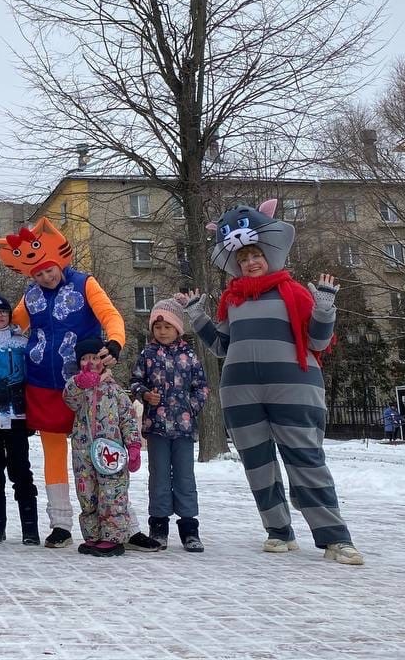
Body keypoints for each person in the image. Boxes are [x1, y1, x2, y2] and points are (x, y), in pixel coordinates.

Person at [188, 199, 364, 566]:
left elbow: (317, 342)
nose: (250, 263)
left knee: (306, 459)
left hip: (293, 386)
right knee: (258, 463)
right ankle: (279, 531)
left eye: (255, 256)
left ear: (268, 254)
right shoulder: (231, 300)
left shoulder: (292, 291)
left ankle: (335, 537)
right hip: (241, 391)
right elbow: (221, 345)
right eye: (243, 258)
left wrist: (325, 308)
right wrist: (197, 316)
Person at [0, 219, 126, 548]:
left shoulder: (84, 282)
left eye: (49, 270)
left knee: (98, 449)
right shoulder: (30, 296)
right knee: (54, 452)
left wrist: (114, 343)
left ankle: (115, 519)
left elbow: (110, 315)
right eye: (38, 274)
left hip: (85, 380)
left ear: (58, 261)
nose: (46, 277)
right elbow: (8, 321)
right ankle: (60, 522)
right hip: (43, 382)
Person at [129, 298, 208, 553]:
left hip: (184, 429)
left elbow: (202, 388)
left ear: (177, 328)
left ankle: (189, 529)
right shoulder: (147, 355)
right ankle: (159, 527)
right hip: (156, 428)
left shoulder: (190, 356)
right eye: (157, 326)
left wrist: (191, 407)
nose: (162, 331)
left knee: (185, 477)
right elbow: (135, 382)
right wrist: (144, 395)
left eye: (167, 326)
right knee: (159, 478)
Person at [63, 337, 141, 557]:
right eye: (85, 359)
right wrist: (79, 383)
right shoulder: (77, 388)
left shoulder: (114, 390)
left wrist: (133, 445)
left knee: (112, 494)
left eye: (95, 357)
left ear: (104, 360)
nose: (91, 362)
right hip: (83, 453)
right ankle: (94, 536)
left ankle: (113, 538)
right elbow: (68, 399)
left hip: (110, 452)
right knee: (87, 494)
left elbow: (128, 418)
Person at [0, 294, 39, 544]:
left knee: (21, 471)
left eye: (3, 311)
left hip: (17, 415)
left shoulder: (22, 342)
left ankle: (30, 529)